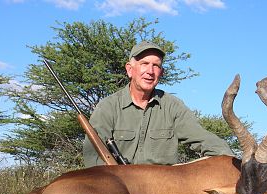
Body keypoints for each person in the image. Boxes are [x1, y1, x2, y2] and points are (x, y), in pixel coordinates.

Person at [83, 41, 233, 166]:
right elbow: (93, 158)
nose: (150, 71)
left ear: (161, 72)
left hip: (162, 191)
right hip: (119, 186)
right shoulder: (107, 107)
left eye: (156, 65)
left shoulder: (173, 106)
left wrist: (235, 161)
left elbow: (202, 138)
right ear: (129, 69)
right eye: (144, 63)